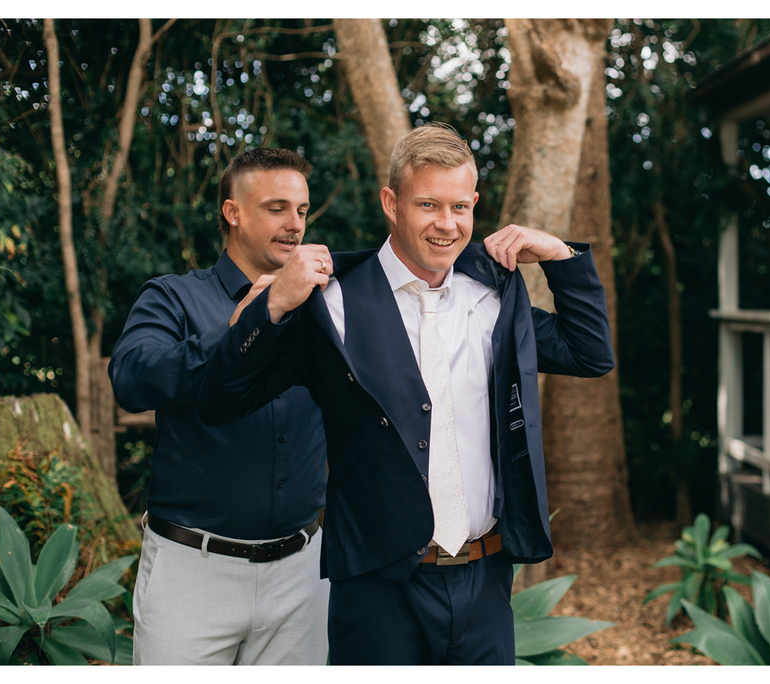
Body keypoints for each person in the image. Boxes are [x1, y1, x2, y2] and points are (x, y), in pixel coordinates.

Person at [198, 123, 615, 664]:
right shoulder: (330, 303)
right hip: (376, 590)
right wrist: (273, 304)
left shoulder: (494, 295)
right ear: (391, 203)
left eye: (460, 207)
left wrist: (561, 256)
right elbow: (221, 400)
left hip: (485, 581)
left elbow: (590, 354)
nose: (447, 224)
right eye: (428, 205)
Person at [108, 148, 330, 665]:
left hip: (302, 575)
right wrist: (253, 320)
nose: (294, 224)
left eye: (301, 210)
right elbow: (133, 379)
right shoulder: (173, 297)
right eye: (277, 208)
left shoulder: (327, 305)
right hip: (192, 572)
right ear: (233, 212)